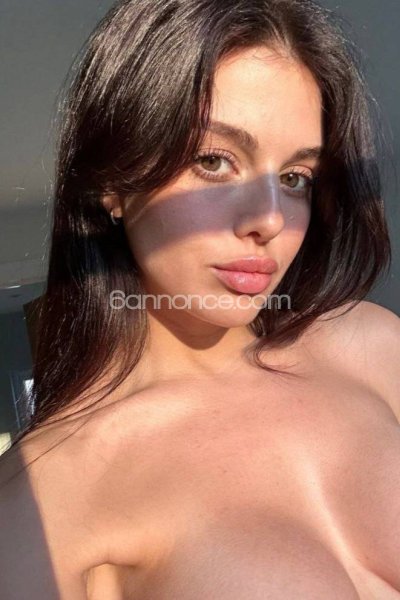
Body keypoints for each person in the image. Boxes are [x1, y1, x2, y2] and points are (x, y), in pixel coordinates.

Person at [0, 0, 399, 598]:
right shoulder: (47, 500)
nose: (270, 219)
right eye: (214, 160)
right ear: (113, 183)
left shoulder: (373, 346)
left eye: (295, 178)